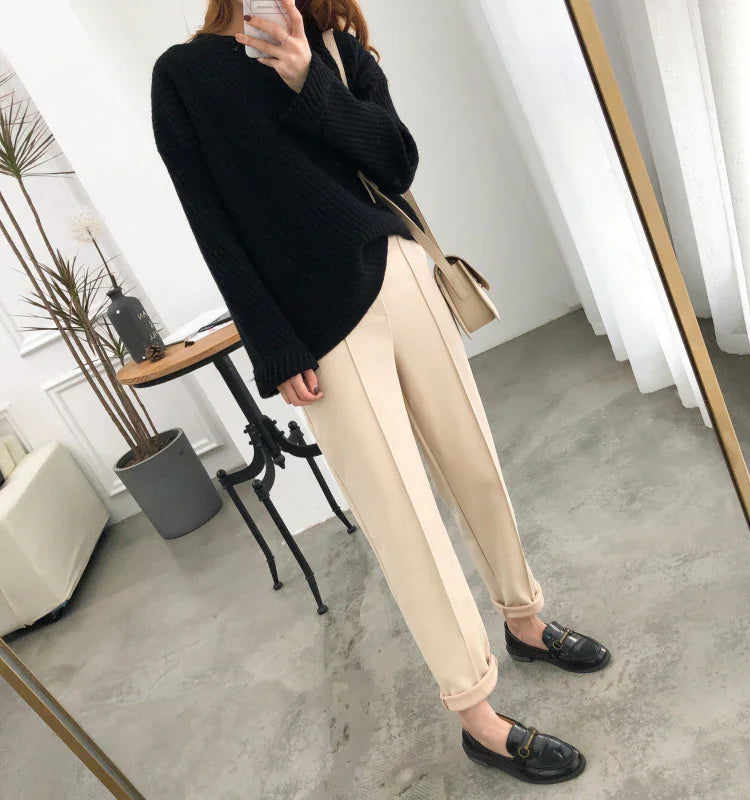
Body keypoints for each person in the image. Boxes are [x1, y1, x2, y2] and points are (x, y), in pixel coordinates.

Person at [150, 0, 610, 785]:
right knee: (402, 517)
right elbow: (212, 226)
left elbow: (396, 162)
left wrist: (307, 80)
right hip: (319, 332)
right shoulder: (184, 77)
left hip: (403, 278)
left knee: (476, 467)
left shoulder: (335, 47)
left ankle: (525, 620)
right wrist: (274, 344)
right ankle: (476, 712)